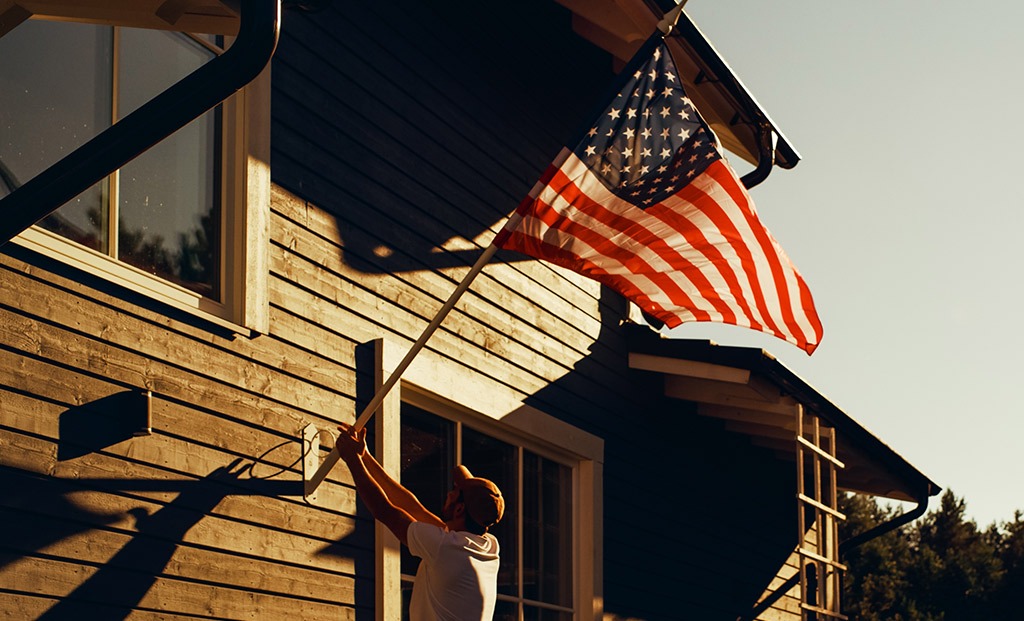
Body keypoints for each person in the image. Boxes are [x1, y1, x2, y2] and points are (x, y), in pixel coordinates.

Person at [335, 421, 504, 620]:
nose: (449, 493)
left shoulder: (446, 548)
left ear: (459, 509)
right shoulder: (488, 546)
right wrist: (365, 457)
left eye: (455, 492)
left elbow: (384, 510)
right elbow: (413, 508)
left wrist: (352, 460)